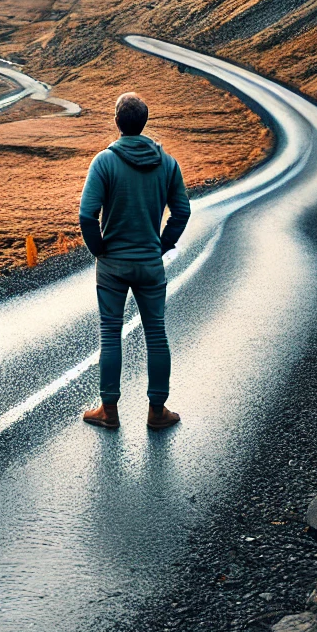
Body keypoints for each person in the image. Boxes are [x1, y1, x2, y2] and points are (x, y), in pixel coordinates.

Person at [78, 91, 190, 431]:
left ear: (117, 122)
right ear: (144, 122)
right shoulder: (167, 163)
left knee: (110, 334)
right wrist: (162, 244)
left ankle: (109, 411)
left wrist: (99, 250)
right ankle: (157, 412)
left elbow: (87, 216)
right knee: (156, 334)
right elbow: (182, 211)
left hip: (112, 265)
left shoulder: (104, 162)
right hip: (149, 263)